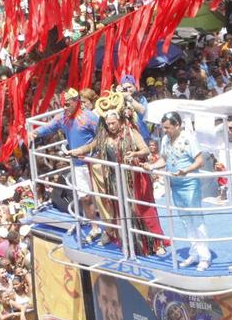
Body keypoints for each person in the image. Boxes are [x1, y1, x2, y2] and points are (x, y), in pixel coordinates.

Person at [70, 105, 167, 255]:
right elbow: (91, 146)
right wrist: (78, 151)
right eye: (108, 124)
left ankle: (156, 243)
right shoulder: (104, 135)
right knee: (120, 210)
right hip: (115, 180)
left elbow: (146, 150)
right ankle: (129, 243)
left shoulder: (131, 132)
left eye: (113, 123)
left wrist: (134, 154)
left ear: (120, 121)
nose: (110, 126)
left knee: (141, 210)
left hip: (133, 180)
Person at [144, 112, 210, 270]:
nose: (165, 130)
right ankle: (194, 253)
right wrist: (152, 166)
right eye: (163, 127)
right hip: (175, 185)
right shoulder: (166, 139)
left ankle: (204, 256)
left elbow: (200, 161)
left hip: (190, 185)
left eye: (167, 127)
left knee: (197, 219)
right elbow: (164, 159)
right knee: (186, 221)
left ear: (177, 125)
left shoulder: (189, 139)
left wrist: (186, 170)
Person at [28, 88, 99, 233]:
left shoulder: (90, 117)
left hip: (96, 163)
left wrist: (85, 149)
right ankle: (95, 227)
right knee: (84, 198)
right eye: (63, 105)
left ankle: (112, 230)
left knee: (104, 198)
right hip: (78, 165)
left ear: (76, 102)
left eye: (67, 104)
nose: (64, 108)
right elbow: (49, 127)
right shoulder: (62, 118)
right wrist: (36, 132)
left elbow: (102, 137)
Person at [118, 74, 150, 143]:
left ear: (135, 86)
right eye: (125, 88)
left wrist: (129, 98)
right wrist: (117, 95)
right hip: (126, 137)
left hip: (142, 135)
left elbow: (142, 110)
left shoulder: (141, 98)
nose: (128, 90)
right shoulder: (119, 98)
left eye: (130, 87)